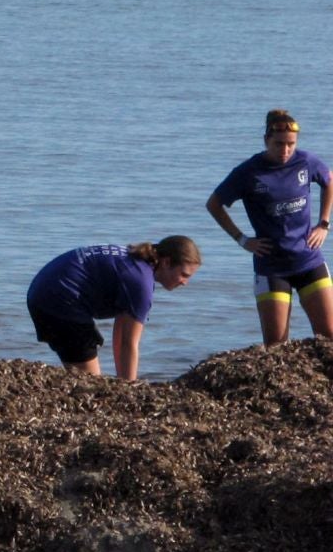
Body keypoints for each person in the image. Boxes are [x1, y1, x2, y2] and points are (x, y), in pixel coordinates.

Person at [205, 109, 333, 345]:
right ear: (266, 141)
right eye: (278, 144)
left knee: (329, 336)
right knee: (276, 346)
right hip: (271, 268)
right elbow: (214, 204)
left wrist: (324, 223)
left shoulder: (306, 162)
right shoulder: (248, 172)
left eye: (290, 144)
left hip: (309, 260)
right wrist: (241, 239)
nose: (285, 150)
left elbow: (329, 180)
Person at [26, 238, 202, 380]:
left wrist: (122, 383)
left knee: (82, 373)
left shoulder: (136, 262)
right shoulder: (141, 282)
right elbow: (129, 343)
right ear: (166, 262)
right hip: (59, 299)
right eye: (184, 274)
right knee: (89, 382)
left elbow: (121, 336)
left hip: (42, 292)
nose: (184, 282)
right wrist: (129, 388)